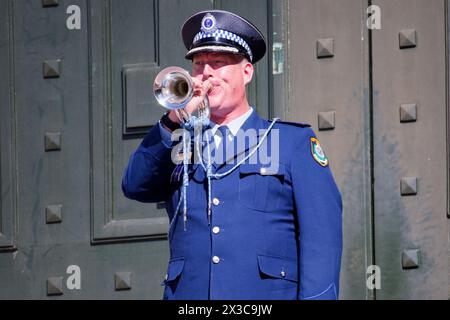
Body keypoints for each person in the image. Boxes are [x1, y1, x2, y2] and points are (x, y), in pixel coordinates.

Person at [122, 9, 342, 300]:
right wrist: (172, 120)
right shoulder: (178, 142)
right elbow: (135, 185)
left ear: (246, 71)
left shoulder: (291, 142)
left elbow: (322, 239)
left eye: (218, 63)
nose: (207, 74)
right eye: (199, 65)